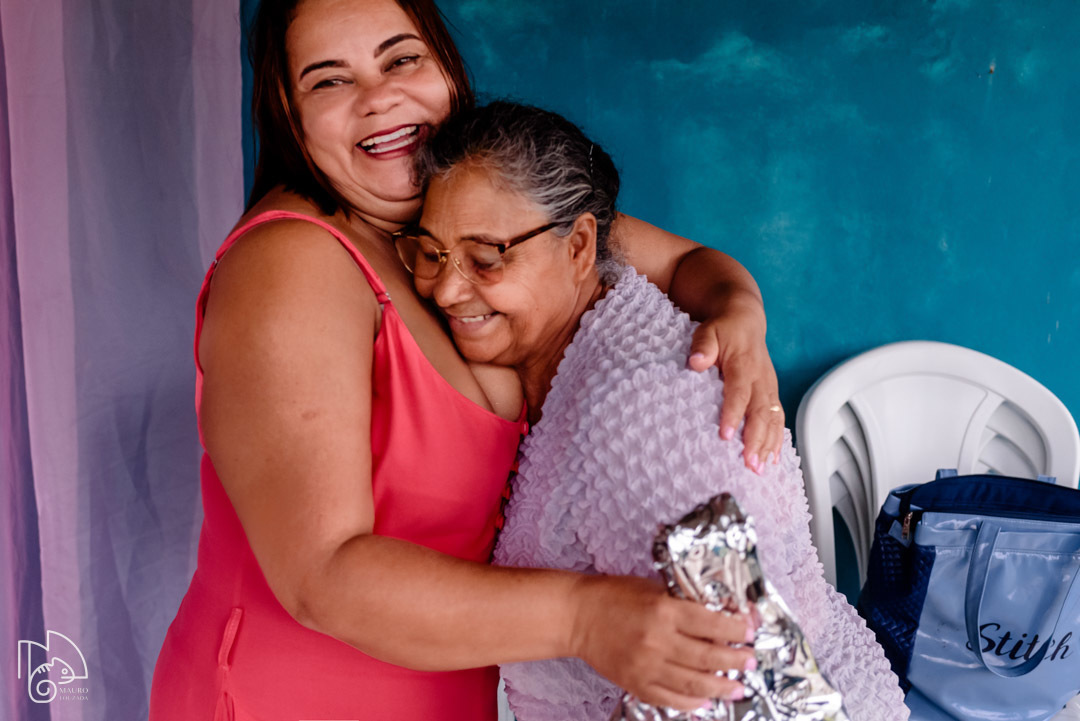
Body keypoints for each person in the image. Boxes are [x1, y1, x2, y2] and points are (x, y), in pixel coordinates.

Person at [149, 1, 783, 718]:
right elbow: (320, 575)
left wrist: (740, 318)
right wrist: (589, 618)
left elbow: (693, 265)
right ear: (289, 116)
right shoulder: (289, 264)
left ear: (447, 68)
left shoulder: (483, 204)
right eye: (330, 80)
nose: (379, 97)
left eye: (401, 59)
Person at [405, 100, 910, 721]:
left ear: (579, 246)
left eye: (486, 258)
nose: (446, 289)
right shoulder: (582, 343)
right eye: (430, 254)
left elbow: (751, 691)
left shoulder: (642, 418)